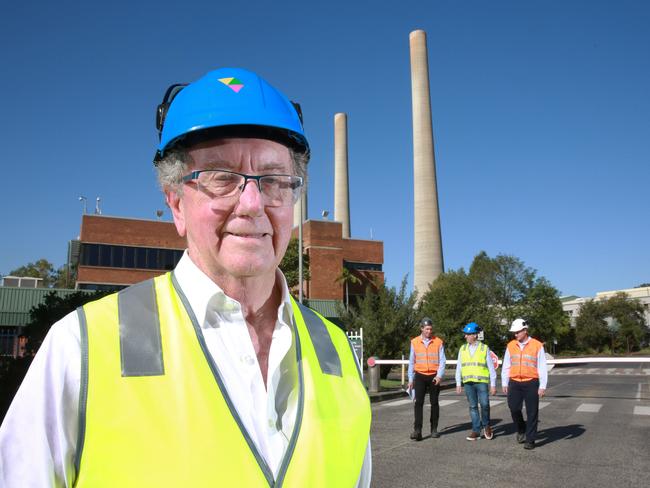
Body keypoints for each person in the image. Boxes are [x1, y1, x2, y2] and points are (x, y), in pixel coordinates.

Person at [0, 68, 371, 487]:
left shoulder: (337, 354)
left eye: (272, 181)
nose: (251, 203)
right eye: (221, 177)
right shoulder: (81, 349)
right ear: (176, 203)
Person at [501, 318, 548, 450]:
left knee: (532, 412)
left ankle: (530, 439)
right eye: (514, 333)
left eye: (517, 332)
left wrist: (542, 385)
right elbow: (506, 365)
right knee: (514, 408)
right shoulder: (511, 345)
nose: (515, 335)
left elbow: (542, 366)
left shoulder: (537, 345)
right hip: (515, 382)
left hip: (531, 382)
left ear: (525, 331)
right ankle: (521, 429)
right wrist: (505, 382)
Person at [455, 322, 497, 441]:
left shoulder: (484, 348)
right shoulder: (462, 349)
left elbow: (491, 367)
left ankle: (487, 426)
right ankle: (476, 430)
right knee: (473, 406)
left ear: (474, 335)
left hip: (481, 382)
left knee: (484, 405)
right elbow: (459, 367)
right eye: (465, 334)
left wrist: (493, 385)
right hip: (468, 383)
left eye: (467, 334)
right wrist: (458, 383)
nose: (465, 336)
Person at [407, 317, 446, 440]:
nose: (429, 331)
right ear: (422, 329)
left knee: (434, 403)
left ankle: (434, 429)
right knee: (418, 403)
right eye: (427, 329)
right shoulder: (414, 342)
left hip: (434, 376)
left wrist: (439, 375)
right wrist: (410, 379)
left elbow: (442, 360)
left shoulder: (438, 342)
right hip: (420, 375)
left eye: (430, 329)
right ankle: (417, 430)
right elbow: (411, 361)